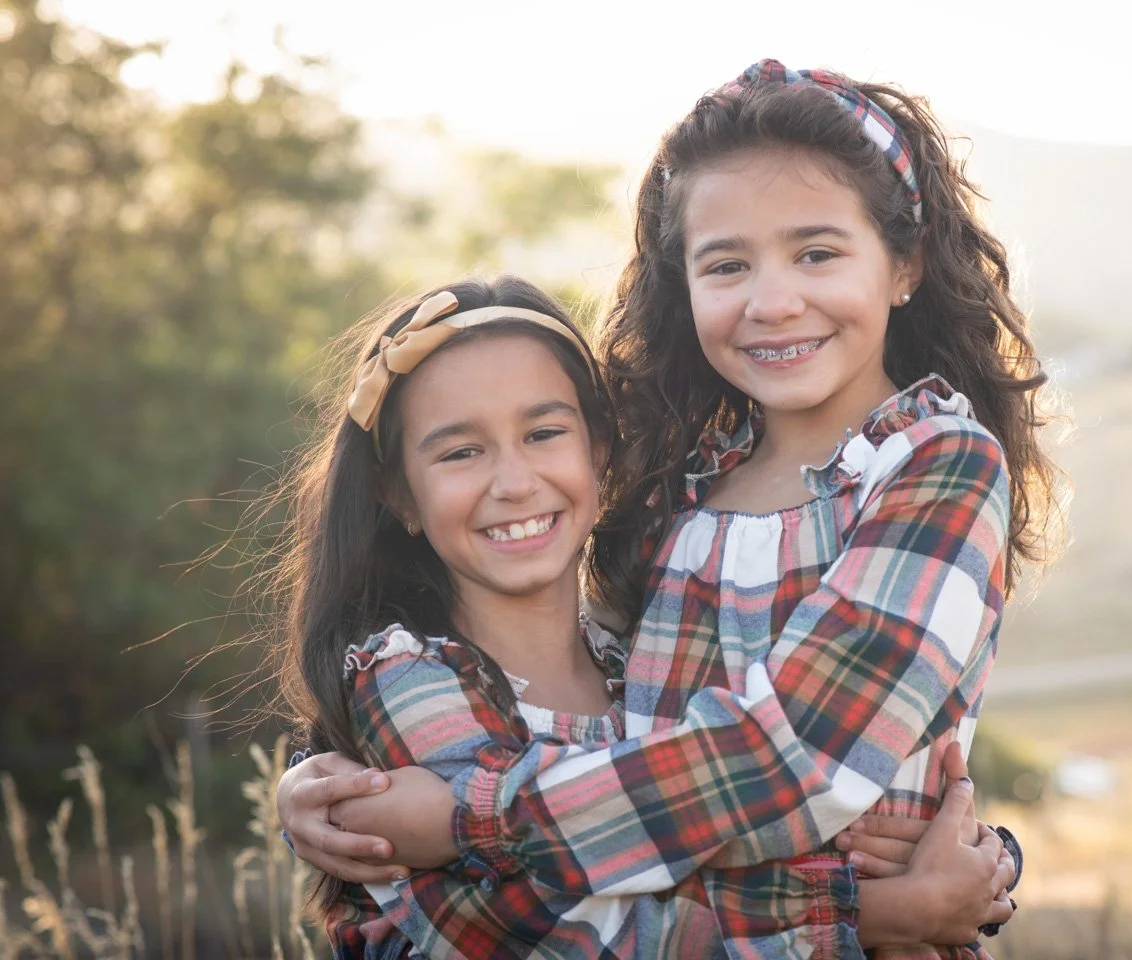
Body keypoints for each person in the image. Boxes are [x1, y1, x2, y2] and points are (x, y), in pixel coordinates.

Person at [282, 58, 1057, 957]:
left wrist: (467, 819)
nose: (773, 301)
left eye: (817, 252)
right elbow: (613, 778)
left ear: (905, 263)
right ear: (680, 286)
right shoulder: (676, 491)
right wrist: (325, 787)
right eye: (726, 264)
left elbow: (788, 763)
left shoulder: (935, 467)